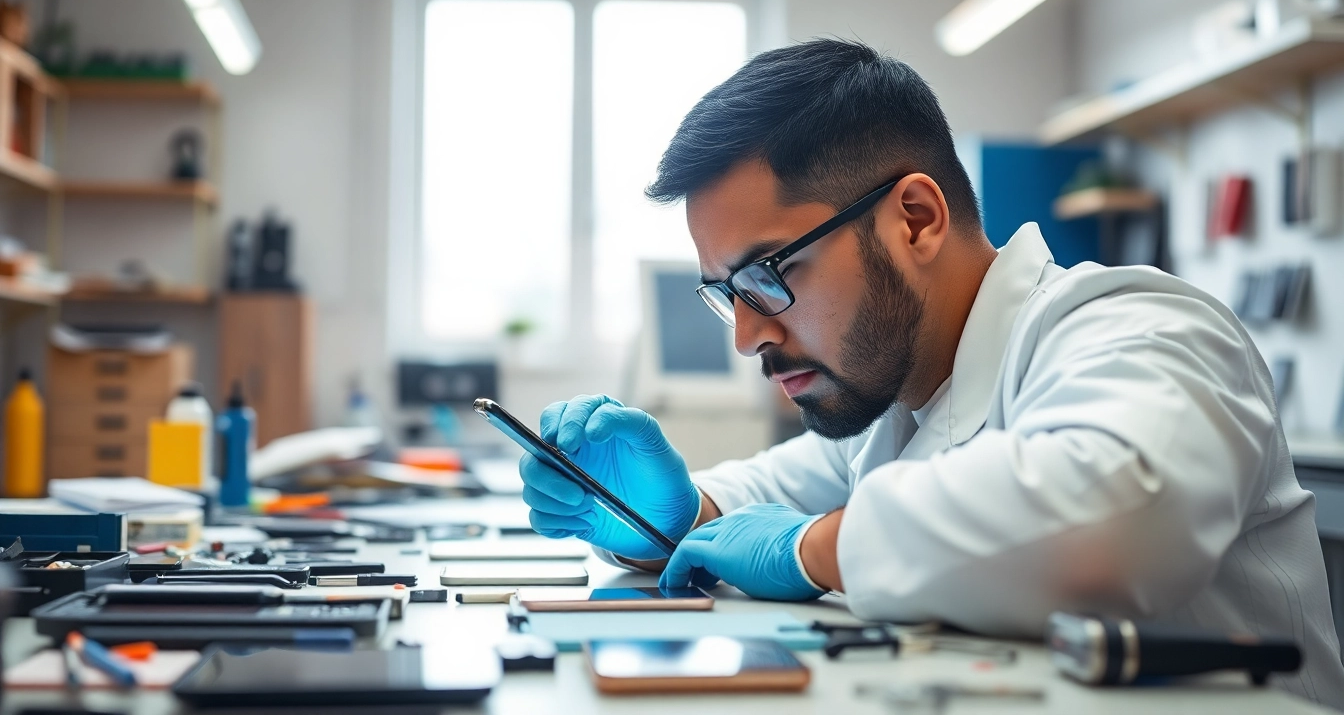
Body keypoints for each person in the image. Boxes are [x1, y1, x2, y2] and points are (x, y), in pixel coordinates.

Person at [517, 39, 1344, 706]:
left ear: (914, 219)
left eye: (767, 275)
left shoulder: (1141, 325)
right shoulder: (895, 403)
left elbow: (1119, 519)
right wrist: (668, 516)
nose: (746, 336)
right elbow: (772, 496)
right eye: (724, 293)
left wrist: (816, 547)